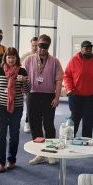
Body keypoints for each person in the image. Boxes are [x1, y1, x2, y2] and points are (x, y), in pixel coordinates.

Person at [0, 47, 30, 173]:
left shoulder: (22, 71)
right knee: (0, 134)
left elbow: (27, 91)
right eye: (8, 57)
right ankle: (0, 162)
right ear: (5, 58)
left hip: (16, 107)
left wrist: (24, 81)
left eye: (13, 57)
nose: (11, 60)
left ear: (16, 58)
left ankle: (11, 159)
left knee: (14, 135)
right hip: (1, 106)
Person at [23, 34, 63, 165]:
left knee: (49, 125)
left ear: (48, 47)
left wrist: (57, 98)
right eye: (40, 46)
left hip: (48, 96)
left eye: (45, 47)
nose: (42, 49)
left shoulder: (54, 61)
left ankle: (50, 152)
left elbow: (58, 81)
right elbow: (22, 77)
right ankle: (40, 153)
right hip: (33, 96)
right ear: (37, 45)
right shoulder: (28, 60)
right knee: (35, 126)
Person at [64, 40, 93, 138]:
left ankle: (86, 143)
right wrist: (69, 88)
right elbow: (67, 76)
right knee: (75, 120)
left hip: (90, 97)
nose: (89, 50)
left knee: (88, 121)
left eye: (90, 48)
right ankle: (69, 140)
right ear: (81, 49)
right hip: (76, 96)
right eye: (86, 48)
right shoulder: (74, 60)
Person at [20, 36, 38, 133]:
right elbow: (19, 70)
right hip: (28, 85)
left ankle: (38, 123)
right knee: (29, 105)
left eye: (36, 46)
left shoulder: (43, 57)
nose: (35, 48)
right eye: (33, 46)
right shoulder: (25, 56)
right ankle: (27, 122)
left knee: (39, 107)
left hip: (39, 86)